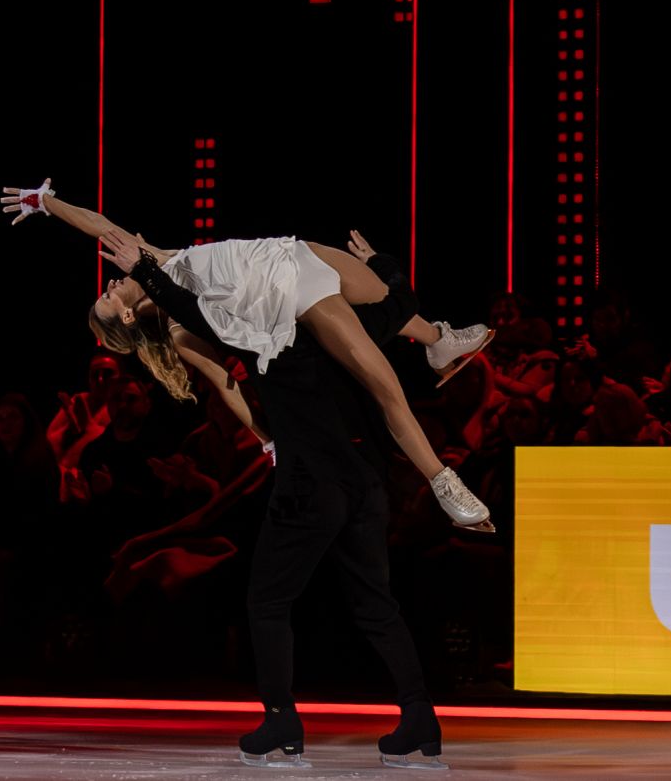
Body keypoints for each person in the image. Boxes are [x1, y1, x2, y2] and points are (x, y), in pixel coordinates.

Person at [114, 230, 455, 769]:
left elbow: (202, 323)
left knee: (268, 603)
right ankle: (420, 718)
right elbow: (400, 303)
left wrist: (147, 272)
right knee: (375, 605)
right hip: (365, 480)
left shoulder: (250, 331)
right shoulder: (327, 320)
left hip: (310, 486)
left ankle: (281, 721)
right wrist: (382, 262)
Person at [0, 179, 495, 529]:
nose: (109, 286)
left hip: (291, 251)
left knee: (387, 300)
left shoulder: (154, 259)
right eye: (107, 299)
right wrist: (266, 440)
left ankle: (438, 342)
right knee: (386, 387)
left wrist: (45, 202)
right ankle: (443, 482)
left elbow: (98, 223)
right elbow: (226, 383)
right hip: (293, 294)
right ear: (126, 317)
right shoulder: (179, 327)